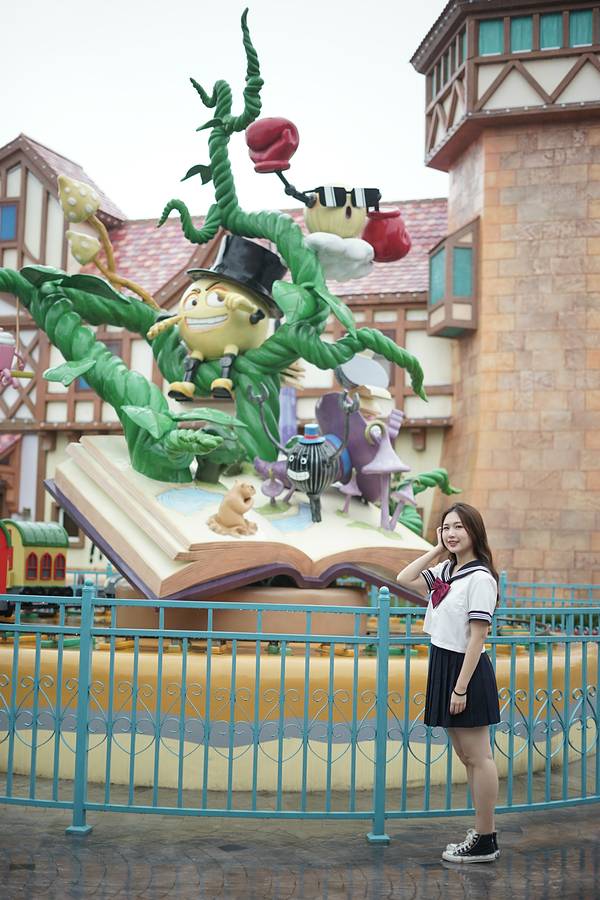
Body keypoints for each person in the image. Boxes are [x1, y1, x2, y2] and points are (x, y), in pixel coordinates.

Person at [396, 502, 501, 864]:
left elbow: (477, 637)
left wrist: (460, 688)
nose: (452, 533)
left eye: (459, 527)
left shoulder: (480, 578)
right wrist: (438, 549)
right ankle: (483, 833)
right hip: (444, 663)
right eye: (446, 527)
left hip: (465, 669)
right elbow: (404, 579)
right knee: (467, 757)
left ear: (474, 531)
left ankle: (486, 838)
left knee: (479, 757)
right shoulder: (447, 569)